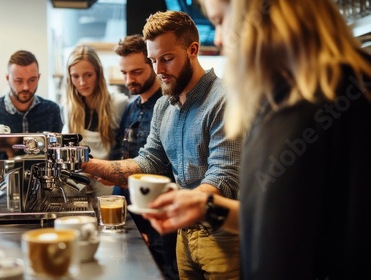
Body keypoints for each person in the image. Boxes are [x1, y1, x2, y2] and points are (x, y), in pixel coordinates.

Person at [143, 0, 371, 279]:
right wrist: (206, 207)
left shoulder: (334, 99)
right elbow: (276, 222)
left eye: (220, 20)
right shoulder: (276, 101)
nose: (220, 39)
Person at [81, 10, 243, 280]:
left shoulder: (224, 100)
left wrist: (186, 202)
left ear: (193, 49)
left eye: (167, 59)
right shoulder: (163, 107)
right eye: (153, 60)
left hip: (222, 235)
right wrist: (106, 168)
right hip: (183, 235)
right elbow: (151, 160)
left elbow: (224, 175)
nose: (158, 70)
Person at [110, 34, 177, 279]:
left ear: (153, 64)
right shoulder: (130, 107)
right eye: (124, 73)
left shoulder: (169, 106)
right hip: (130, 213)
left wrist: (145, 226)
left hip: (160, 217)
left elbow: (164, 170)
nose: (129, 80)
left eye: (136, 72)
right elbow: (122, 157)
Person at [62, 44, 129, 196]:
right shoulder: (68, 108)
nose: (82, 82)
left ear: (98, 74)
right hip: (77, 185)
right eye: (75, 76)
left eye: (88, 75)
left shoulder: (118, 104)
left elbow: (125, 151)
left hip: (110, 185)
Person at [0, 50, 63, 133]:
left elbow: (58, 148)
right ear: (8, 79)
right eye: (19, 81)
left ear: (38, 77)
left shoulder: (51, 110)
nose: (26, 87)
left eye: (32, 80)